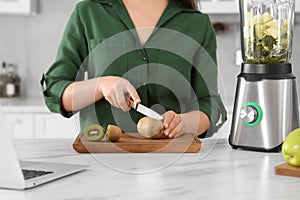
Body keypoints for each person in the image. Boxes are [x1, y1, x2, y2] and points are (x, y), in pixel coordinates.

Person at [40, 0, 227, 139]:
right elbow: (55, 91)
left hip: (174, 162)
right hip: (101, 160)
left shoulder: (197, 24)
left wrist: (185, 123)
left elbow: (210, 104)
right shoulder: (88, 13)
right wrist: (101, 86)